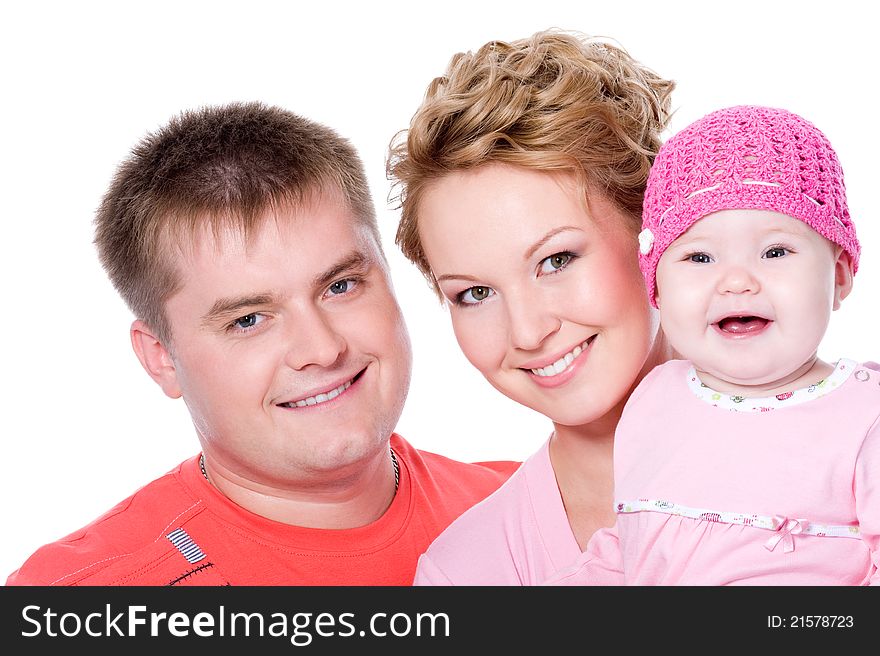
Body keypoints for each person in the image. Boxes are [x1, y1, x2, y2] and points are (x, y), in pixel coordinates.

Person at [6, 101, 517, 586]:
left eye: (339, 286)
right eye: (249, 319)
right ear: (161, 358)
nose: (321, 348)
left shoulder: (544, 514)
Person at [386, 29, 676, 584]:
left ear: (652, 228)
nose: (527, 332)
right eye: (474, 293)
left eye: (556, 260)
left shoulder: (854, 443)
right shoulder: (466, 577)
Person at [548, 105, 879, 585]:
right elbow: (628, 547)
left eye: (775, 251)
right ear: (656, 285)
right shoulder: (655, 399)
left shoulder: (864, 415)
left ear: (841, 275)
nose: (737, 281)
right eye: (699, 256)